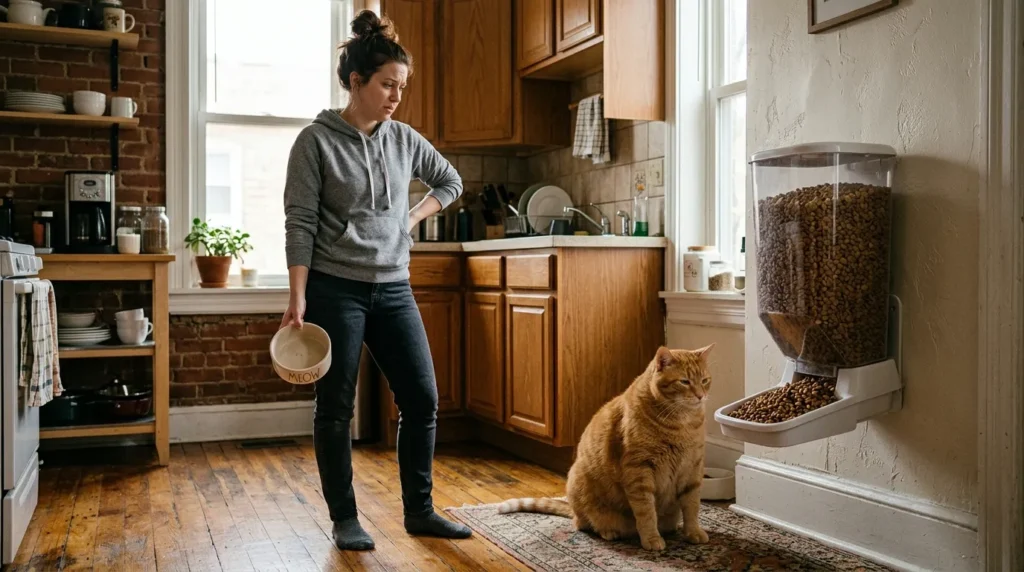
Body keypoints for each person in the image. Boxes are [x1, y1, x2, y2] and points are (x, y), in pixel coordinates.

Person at [280, 10, 471, 551]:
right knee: (335, 407)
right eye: (387, 84)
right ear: (356, 81)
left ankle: (421, 511)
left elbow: (450, 180)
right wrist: (298, 297)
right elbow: (300, 223)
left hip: (393, 287)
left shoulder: (404, 139)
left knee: (422, 398)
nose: (395, 96)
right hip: (334, 287)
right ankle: (344, 518)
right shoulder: (314, 143)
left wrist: (408, 220)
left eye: (401, 87)